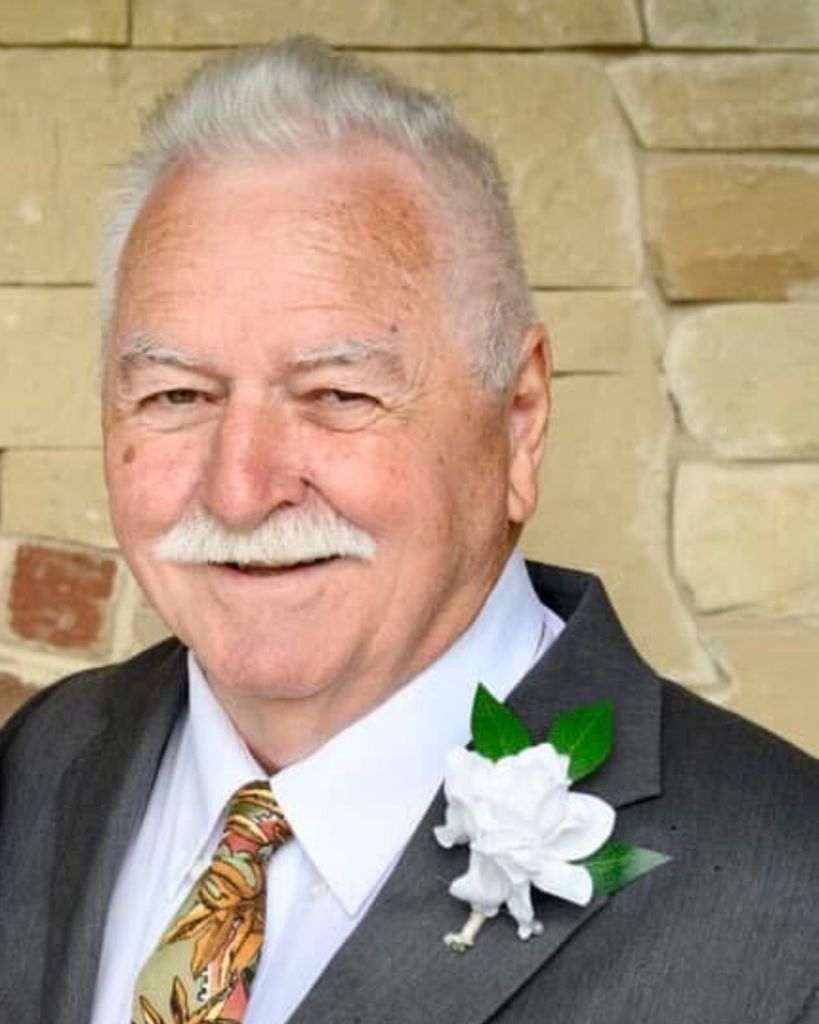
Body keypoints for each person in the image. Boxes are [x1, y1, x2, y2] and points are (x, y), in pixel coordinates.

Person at [0, 37, 817, 1024]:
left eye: (337, 394)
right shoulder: (40, 762)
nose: (241, 490)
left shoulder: (790, 904)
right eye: (177, 394)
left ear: (519, 420)